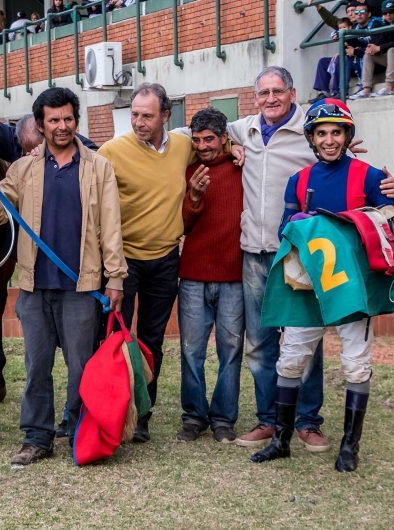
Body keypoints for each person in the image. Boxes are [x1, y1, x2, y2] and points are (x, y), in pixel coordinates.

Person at [227, 66, 394, 452]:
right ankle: (281, 439)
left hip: (351, 285)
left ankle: (348, 445)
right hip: (306, 280)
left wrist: (386, 202)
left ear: (347, 135)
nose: (328, 139)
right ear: (312, 137)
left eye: (336, 132)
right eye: (321, 133)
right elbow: (288, 228)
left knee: (355, 361)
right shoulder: (300, 180)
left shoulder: (370, 176)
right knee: (291, 357)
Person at [0, 87, 127, 465]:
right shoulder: (23, 169)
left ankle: (79, 432)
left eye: (68, 118)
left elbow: (111, 226)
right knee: (36, 365)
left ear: (77, 120)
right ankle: (37, 437)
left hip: (82, 286)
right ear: (39, 125)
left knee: (80, 367)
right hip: (35, 287)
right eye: (53, 120)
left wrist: (116, 277)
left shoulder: (98, 166)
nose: (62, 126)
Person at [98, 83, 193, 443]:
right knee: (113, 337)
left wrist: (239, 150)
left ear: (166, 116)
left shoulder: (184, 146)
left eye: (147, 115)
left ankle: (143, 414)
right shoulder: (111, 151)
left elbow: (219, 144)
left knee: (152, 341)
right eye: (134, 114)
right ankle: (113, 413)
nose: (138, 121)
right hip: (124, 263)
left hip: (166, 261)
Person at [176, 108, 244, 445]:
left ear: (224, 138)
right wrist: (195, 196)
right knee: (191, 350)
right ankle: (193, 417)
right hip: (192, 276)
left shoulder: (241, 167)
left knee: (230, 349)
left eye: (209, 139)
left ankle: (223, 419)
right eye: (198, 140)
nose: (203, 146)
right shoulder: (188, 171)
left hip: (234, 275)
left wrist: (238, 152)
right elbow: (182, 225)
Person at [0, 82, 97, 163]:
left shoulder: (89, 153)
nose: (62, 126)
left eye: (67, 119)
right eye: (25, 153)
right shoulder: (14, 142)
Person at [349, 0, 394, 99]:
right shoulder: (384, 25)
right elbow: (380, 43)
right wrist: (372, 47)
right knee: (368, 54)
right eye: (385, 13)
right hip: (391, 58)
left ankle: (389, 88)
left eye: (391, 12)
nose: (388, 15)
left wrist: (379, 48)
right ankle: (366, 89)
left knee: (392, 50)